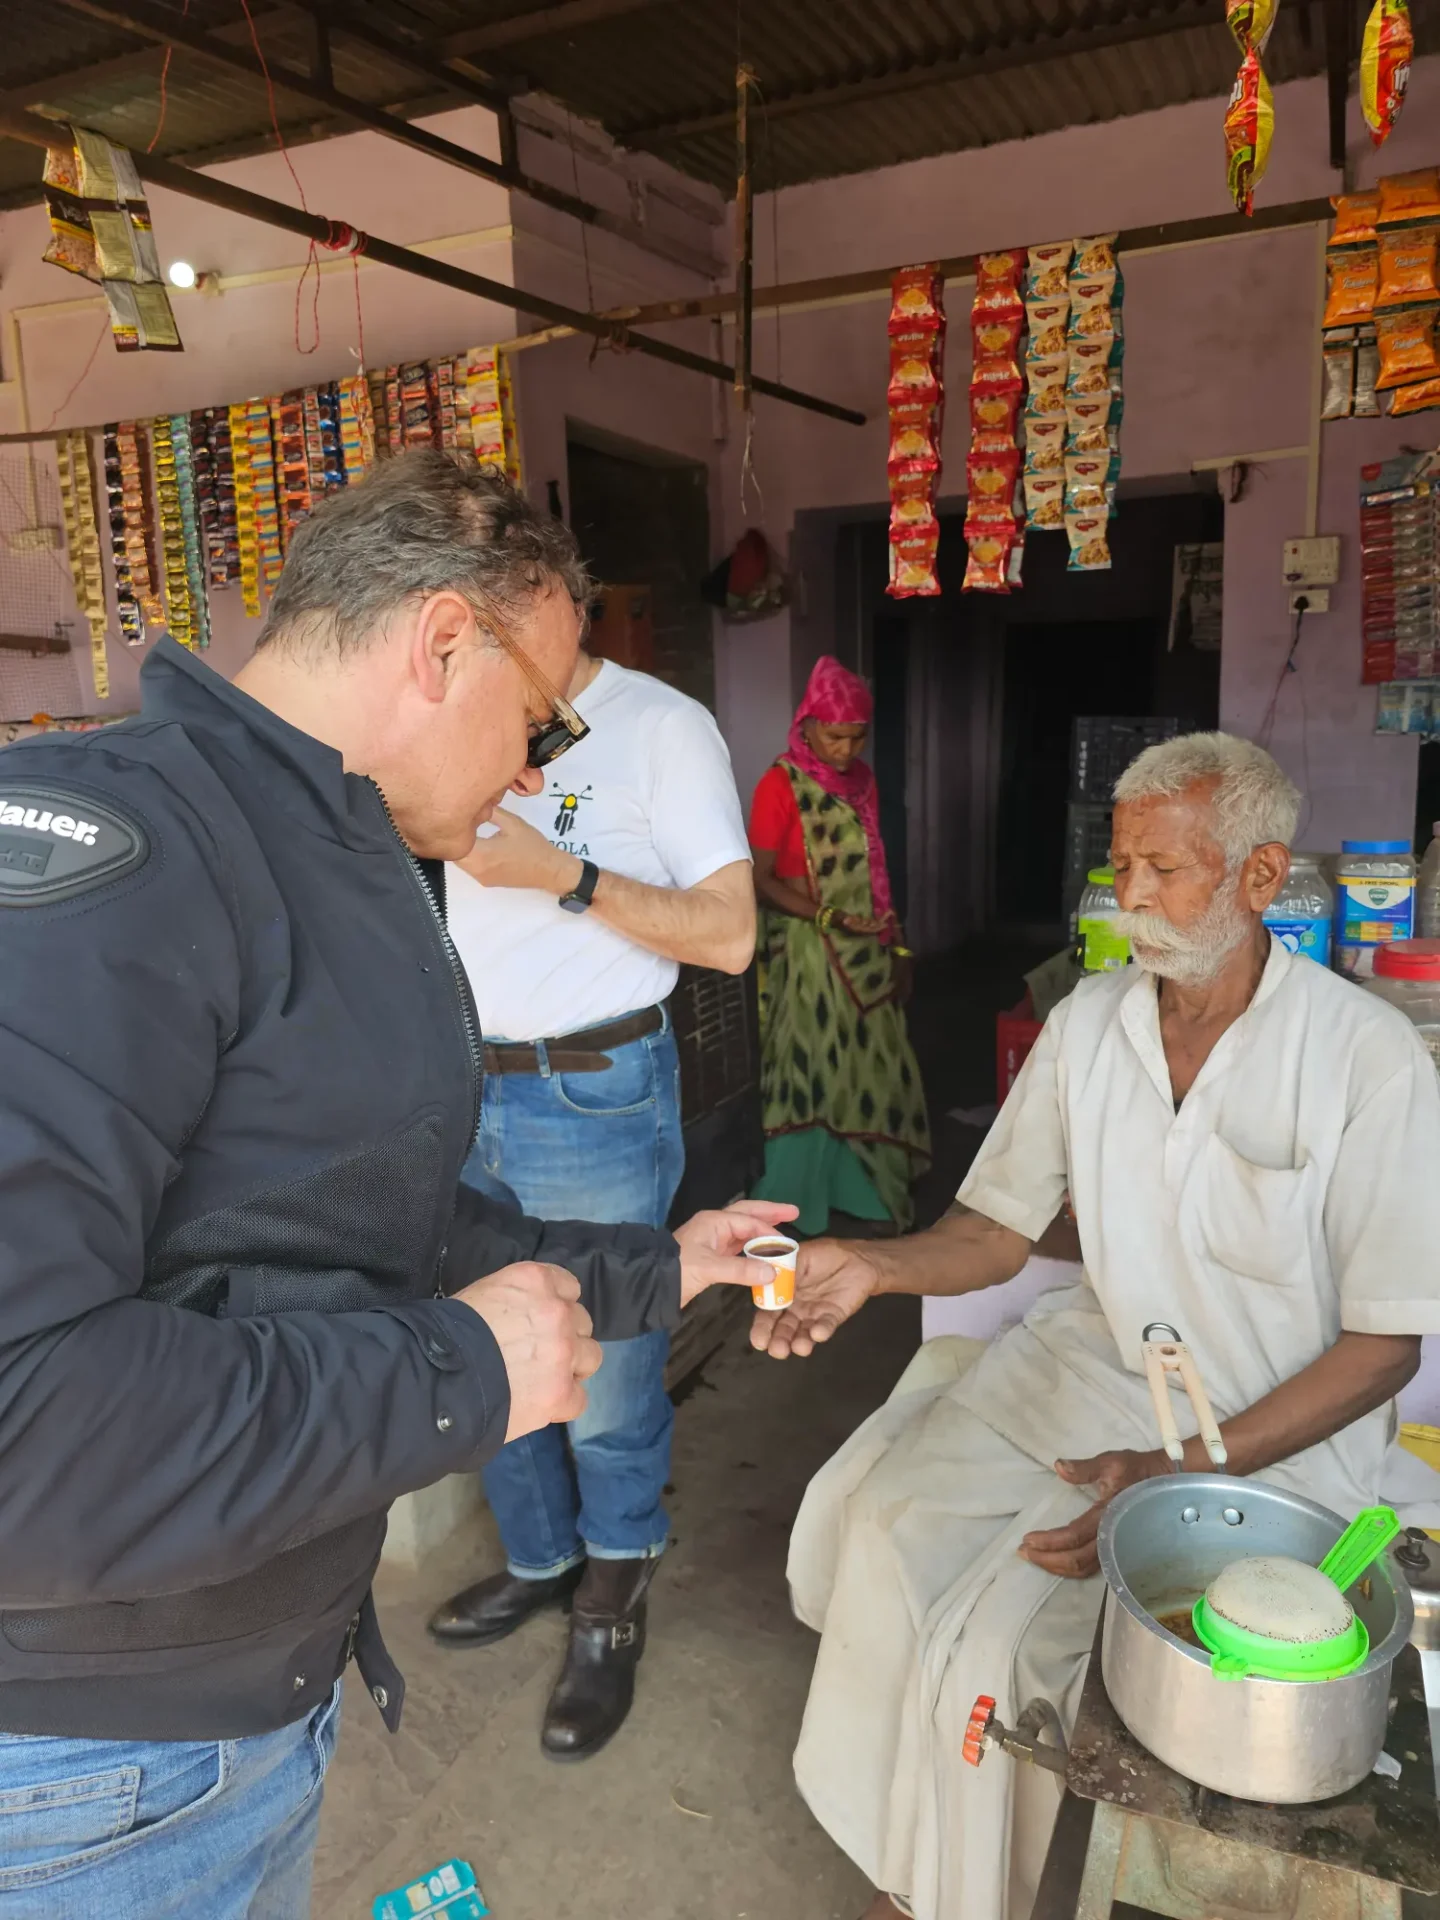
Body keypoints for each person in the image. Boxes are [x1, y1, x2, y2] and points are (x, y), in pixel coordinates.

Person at [0, 450, 792, 1918]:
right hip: (87, 1775)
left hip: (222, 1711)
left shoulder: (316, 849)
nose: (538, 772)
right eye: (540, 720)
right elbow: (20, 1421)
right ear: (441, 643)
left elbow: (377, 1216)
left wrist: (662, 1266)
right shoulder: (121, 863)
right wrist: (457, 1374)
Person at [752, 733, 1440, 1920]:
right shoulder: (1089, 1025)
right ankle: (901, 1853)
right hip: (1095, 1368)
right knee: (879, 1518)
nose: (1134, 896)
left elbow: (1387, 1349)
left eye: (1166, 869)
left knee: (1003, 1641)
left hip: (1268, 1432)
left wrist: (1180, 1472)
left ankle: (943, 1897)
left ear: (1259, 877)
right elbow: (995, 1231)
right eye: (1124, 866)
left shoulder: (1363, 1056)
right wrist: (871, 1264)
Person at [426, 639, 754, 1762]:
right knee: (484, 1338)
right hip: (453, 1083)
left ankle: (615, 1580)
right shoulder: (449, 714)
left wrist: (563, 874)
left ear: (553, 601)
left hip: (591, 1088)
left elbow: (731, 934)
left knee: (606, 1365)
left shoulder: (661, 727)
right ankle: (540, 1559)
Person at [748, 655, 930, 1237]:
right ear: (807, 726)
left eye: (857, 737)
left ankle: (868, 1191)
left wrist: (897, 946)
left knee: (870, 1065)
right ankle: (797, 1197)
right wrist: (826, 916)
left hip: (865, 944)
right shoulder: (780, 785)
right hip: (807, 949)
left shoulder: (861, 783)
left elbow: (877, 871)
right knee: (812, 1068)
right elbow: (761, 880)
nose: (846, 750)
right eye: (834, 736)